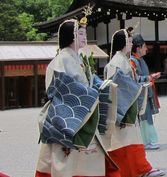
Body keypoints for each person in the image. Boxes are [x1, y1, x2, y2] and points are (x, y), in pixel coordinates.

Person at [35, 14, 119, 177]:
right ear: (69, 35)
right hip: (68, 118)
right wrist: (90, 93)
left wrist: (101, 86)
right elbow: (62, 89)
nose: (84, 37)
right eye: (79, 33)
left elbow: (87, 83)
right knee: (67, 161)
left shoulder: (78, 59)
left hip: (83, 114)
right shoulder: (62, 59)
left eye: (85, 33)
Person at [103, 29, 165, 177]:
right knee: (123, 141)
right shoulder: (116, 63)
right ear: (123, 43)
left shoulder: (123, 60)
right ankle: (137, 169)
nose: (131, 44)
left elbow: (131, 82)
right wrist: (139, 87)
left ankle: (138, 169)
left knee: (129, 141)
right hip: (122, 109)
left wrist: (143, 82)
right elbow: (117, 86)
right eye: (129, 41)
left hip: (127, 106)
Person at [130, 34, 161, 150]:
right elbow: (135, 78)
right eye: (144, 46)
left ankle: (146, 140)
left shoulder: (139, 60)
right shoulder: (132, 61)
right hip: (141, 93)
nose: (146, 48)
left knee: (145, 117)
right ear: (138, 48)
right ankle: (150, 140)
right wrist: (149, 77)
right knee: (144, 117)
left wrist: (150, 77)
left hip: (145, 92)